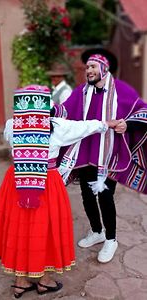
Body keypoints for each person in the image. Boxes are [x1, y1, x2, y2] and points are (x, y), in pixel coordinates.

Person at [0, 85, 121, 298]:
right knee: (45, 228)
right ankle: (44, 280)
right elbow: (85, 127)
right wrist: (107, 124)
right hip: (46, 184)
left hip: (17, 182)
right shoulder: (56, 127)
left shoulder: (11, 125)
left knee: (20, 227)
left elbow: (11, 140)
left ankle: (20, 282)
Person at [56, 48, 147, 264]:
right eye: (87, 67)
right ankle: (96, 231)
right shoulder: (81, 92)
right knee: (87, 195)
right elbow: (65, 111)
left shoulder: (122, 90)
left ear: (103, 68)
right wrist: (46, 109)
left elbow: (142, 111)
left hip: (110, 156)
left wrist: (128, 124)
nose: (88, 70)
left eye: (93, 66)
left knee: (105, 196)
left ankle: (111, 239)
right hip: (86, 153)